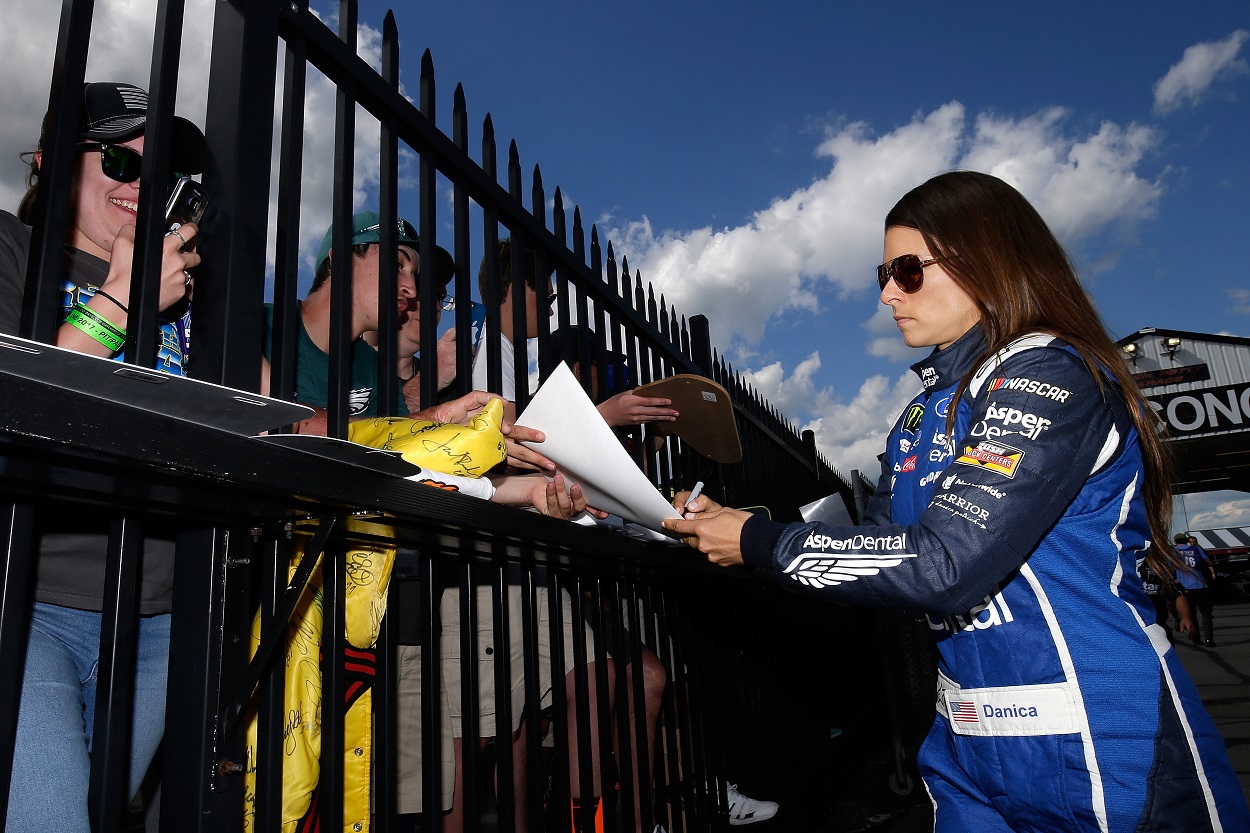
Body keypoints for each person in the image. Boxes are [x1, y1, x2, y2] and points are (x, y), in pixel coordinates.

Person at [664, 171, 1250, 832]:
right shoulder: (916, 420)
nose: (887, 292)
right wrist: (737, 538)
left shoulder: (1048, 370)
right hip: (965, 743)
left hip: (1101, 735)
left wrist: (756, 541)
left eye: (907, 269)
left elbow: (945, 563)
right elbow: (877, 562)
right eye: (883, 273)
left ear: (985, 257)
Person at [0, 81, 206, 833]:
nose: (140, 187)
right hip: (25, 602)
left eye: (160, 175)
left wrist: (435, 436)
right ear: (52, 165)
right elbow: (14, 405)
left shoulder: (195, 296)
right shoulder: (11, 248)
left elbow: (287, 429)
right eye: (121, 161)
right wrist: (122, 305)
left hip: (155, 621)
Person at [1174, 532, 1218, 647]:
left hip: (1185, 586)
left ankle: (1196, 639)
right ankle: (1209, 639)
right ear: (1186, 540)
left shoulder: (1173, 551)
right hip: (1200, 584)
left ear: (1176, 541)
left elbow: (1169, 567)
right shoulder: (1195, 549)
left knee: (1191, 614)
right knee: (1206, 614)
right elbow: (1209, 562)